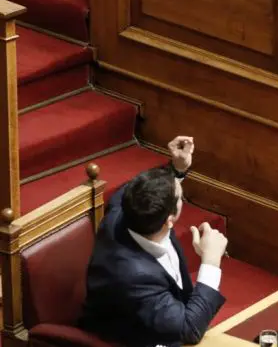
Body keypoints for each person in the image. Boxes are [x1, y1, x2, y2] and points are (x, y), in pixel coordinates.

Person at [79, 136, 229, 346]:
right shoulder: (136, 277)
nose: (178, 186)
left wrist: (176, 169)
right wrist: (211, 261)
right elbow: (189, 330)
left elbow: (141, 187)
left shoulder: (125, 207)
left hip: (161, 317)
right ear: (170, 220)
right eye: (177, 195)